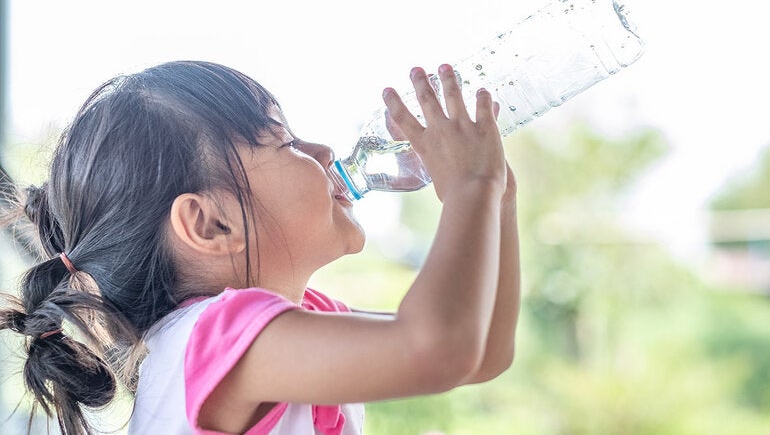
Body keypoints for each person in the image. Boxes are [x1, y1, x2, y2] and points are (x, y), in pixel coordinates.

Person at [0, 60, 520, 435]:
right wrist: (472, 186)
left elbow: (481, 357)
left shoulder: (274, 326)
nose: (324, 151)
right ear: (210, 224)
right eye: (286, 142)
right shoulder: (211, 336)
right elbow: (438, 350)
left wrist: (499, 200)